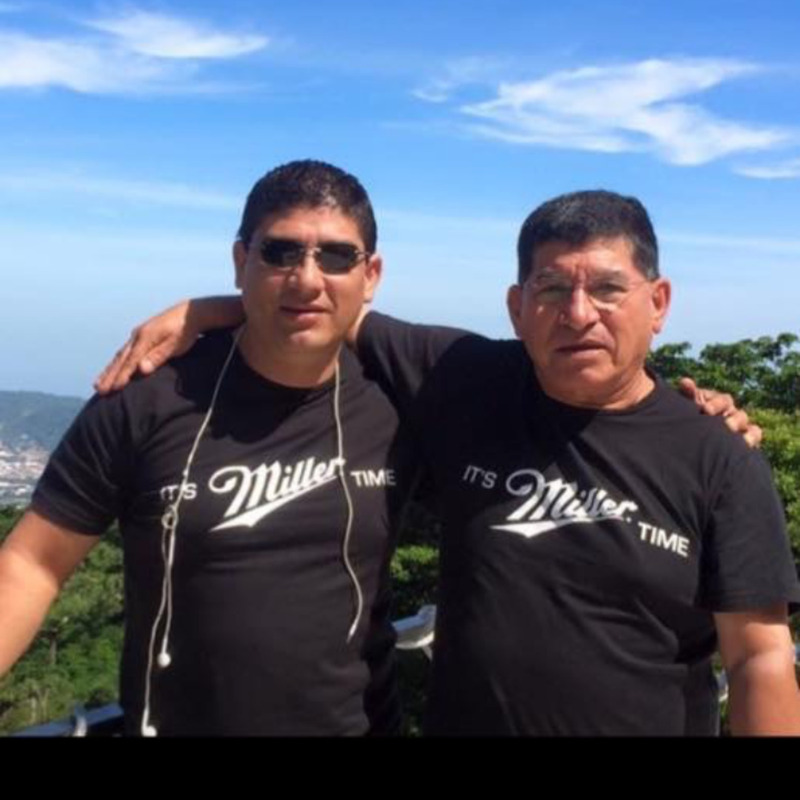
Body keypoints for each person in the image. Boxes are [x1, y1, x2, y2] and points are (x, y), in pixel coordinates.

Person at [99, 190, 797, 735]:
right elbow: (328, 308)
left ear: (658, 303)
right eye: (552, 289)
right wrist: (209, 310)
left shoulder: (717, 456)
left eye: (609, 289)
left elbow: (758, 657)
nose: (579, 313)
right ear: (517, 307)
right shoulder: (469, 379)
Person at [0, 160, 405, 736]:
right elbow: (31, 564)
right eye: (280, 252)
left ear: (371, 274)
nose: (307, 278)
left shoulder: (400, 400)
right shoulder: (147, 399)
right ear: (241, 261)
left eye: (337, 256)